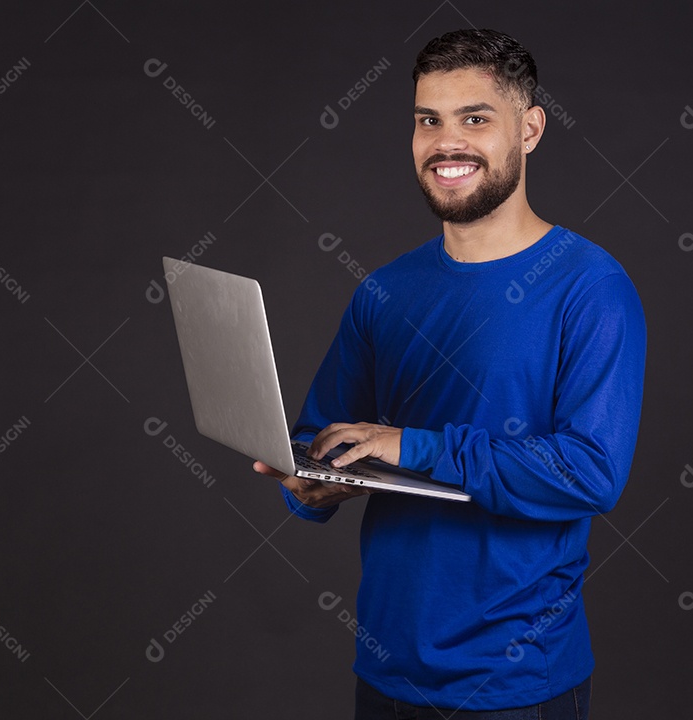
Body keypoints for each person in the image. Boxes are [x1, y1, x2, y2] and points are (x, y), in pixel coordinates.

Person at [254, 28, 645, 719]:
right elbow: (328, 433)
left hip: (516, 684)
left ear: (529, 130)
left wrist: (412, 445)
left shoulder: (590, 286)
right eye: (427, 120)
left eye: (474, 118)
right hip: (386, 669)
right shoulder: (385, 291)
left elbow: (591, 472)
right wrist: (313, 481)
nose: (445, 142)